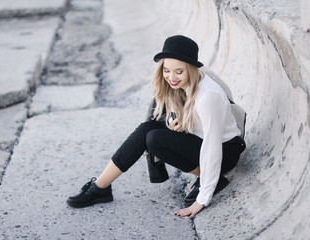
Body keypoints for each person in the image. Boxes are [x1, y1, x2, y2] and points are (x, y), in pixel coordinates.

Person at [67, 35, 245, 218]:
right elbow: (168, 114)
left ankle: (213, 181)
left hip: (225, 151)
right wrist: (174, 122)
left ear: (191, 69)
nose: (171, 77)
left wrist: (203, 198)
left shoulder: (208, 96)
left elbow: (212, 146)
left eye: (178, 71)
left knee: (155, 139)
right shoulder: (180, 85)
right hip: (200, 141)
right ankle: (100, 188)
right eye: (167, 70)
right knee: (147, 129)